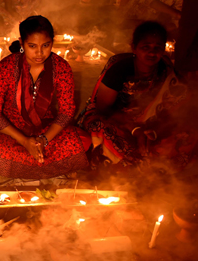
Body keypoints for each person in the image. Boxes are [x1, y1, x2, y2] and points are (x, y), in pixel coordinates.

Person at [0, 16, 91, 179]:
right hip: (11, 129)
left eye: (46, 45)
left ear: (52, 43)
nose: (40, 53)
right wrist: (25, 141)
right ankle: (45, 163)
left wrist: (43, 140)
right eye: (32, 46)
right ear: (22, 43)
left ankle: (32, 159)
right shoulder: (5, 67)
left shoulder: (61, 67)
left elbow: (66, 111)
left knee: (83, 140)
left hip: (45, 129)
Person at [78, 22, 193, 170]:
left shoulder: (166, 69)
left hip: (151, 122)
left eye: (157, 48)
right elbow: (103, 108)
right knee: (99, 128)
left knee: (187, 133)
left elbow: (178, 104)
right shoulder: (120, 69)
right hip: (113, 118)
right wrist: (135, 129)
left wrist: (154, 131)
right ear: (134, 47)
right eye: (146, 47)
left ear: (163, 49)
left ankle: (161, 170)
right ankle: (126, 169)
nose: (152, 53)